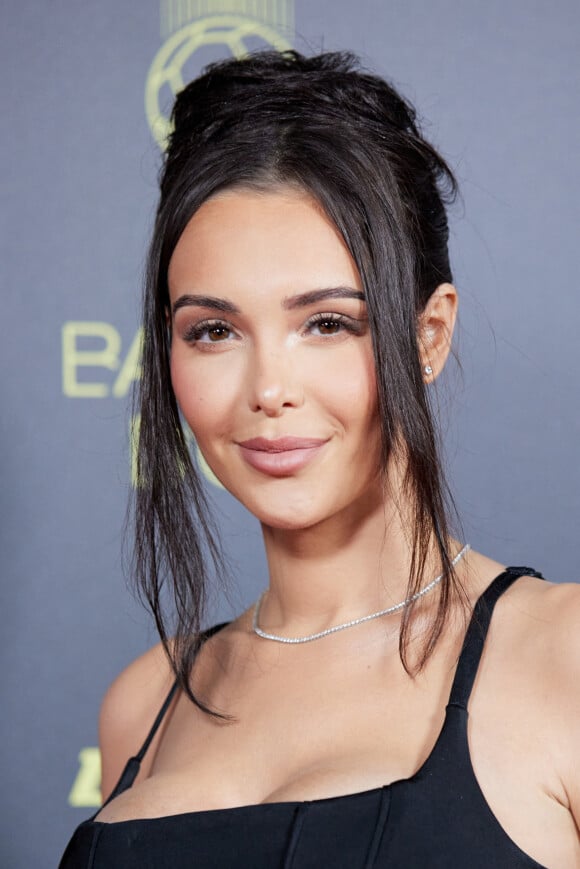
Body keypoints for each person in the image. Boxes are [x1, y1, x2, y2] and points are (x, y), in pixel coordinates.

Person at [59, 50, 580, 868]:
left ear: (429, 334)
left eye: (327, 323)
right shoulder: (145, 699)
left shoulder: (565, 657)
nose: (269, 388)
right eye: (214, 330)